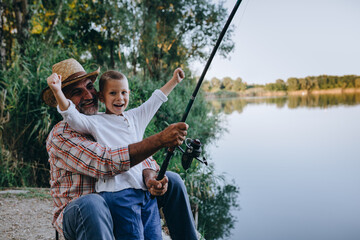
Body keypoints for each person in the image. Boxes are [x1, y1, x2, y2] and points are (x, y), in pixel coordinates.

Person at [42, 58, 198, 240]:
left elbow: (144, 158)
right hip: (82, 211)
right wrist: (161, 139)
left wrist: (149, 176)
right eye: (77, 92)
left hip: (125, 195)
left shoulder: (106, 120)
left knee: (172, 180)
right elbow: (105, 162)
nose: (88, 95)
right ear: (63, 98)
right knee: (93, 203)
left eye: (90, 87)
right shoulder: (61, 134)